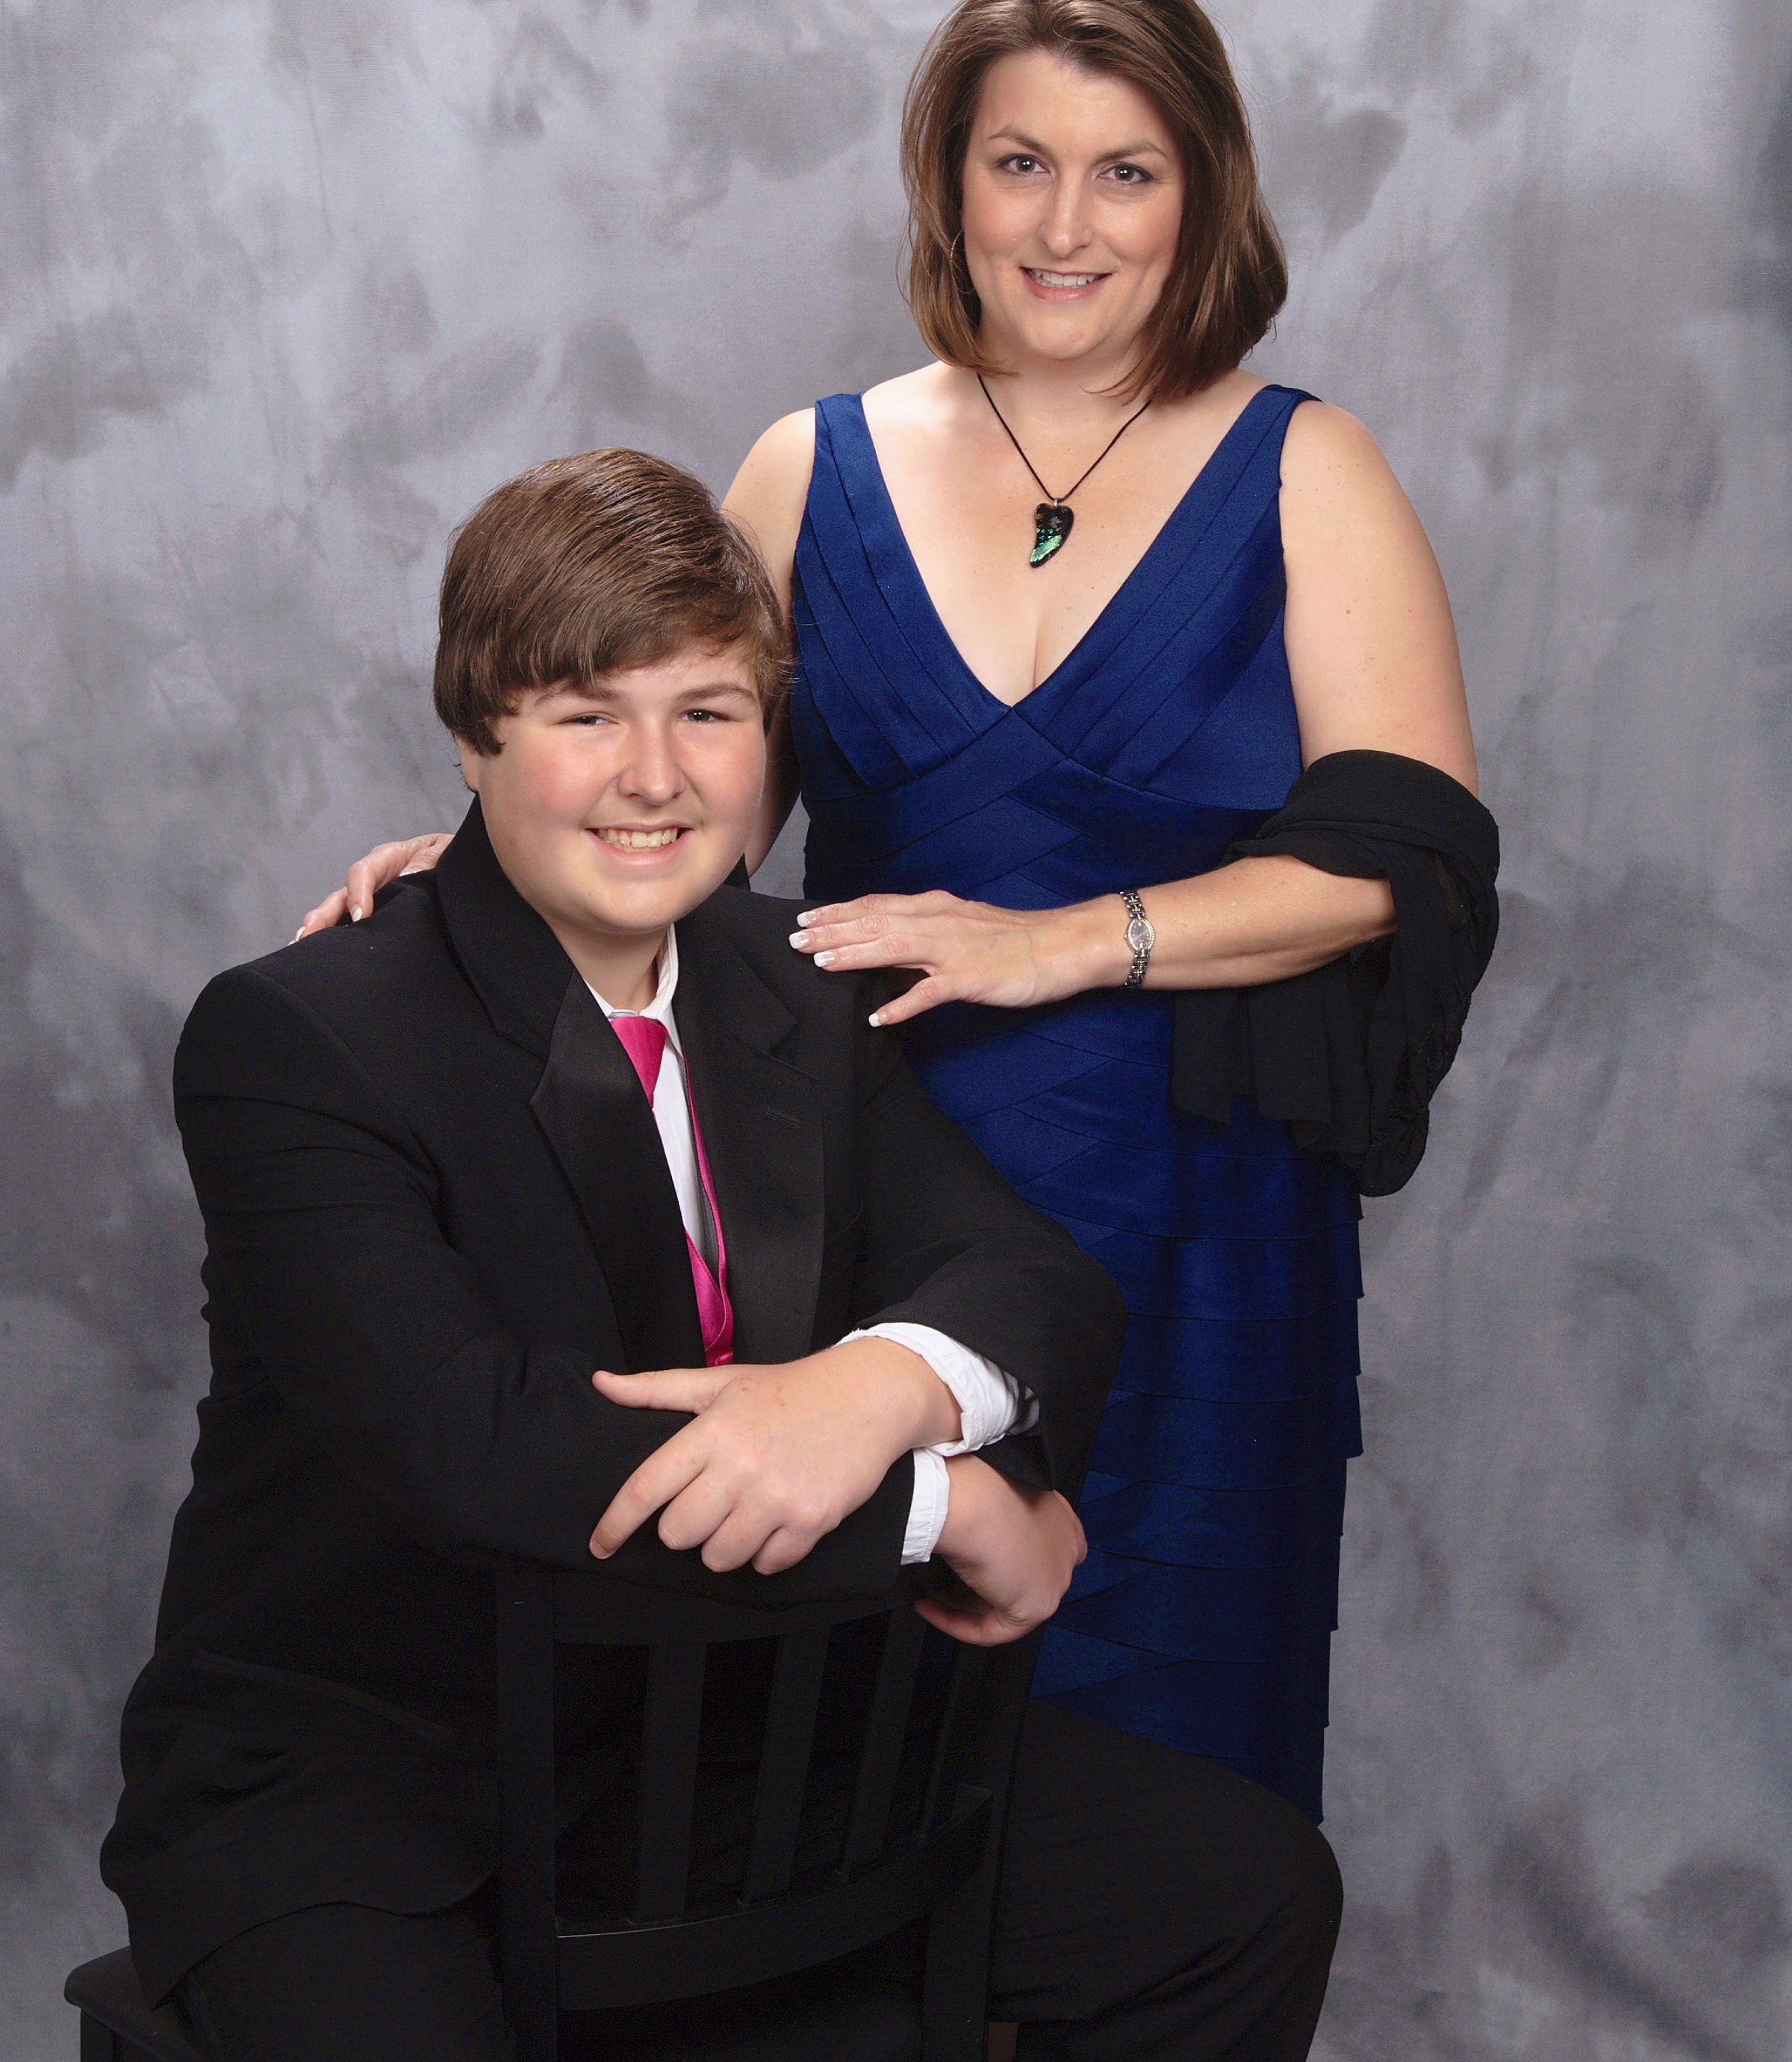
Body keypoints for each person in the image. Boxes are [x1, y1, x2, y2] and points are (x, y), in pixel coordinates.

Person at [302, 0, 1499, 1824]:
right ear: (950, 182)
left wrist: (1064, 946)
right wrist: (476, 869)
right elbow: (682, 786)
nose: (1067, 226)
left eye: (1126, 171)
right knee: (844, 1774)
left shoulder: (1306, 467)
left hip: (1198, 1221)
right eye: (1021, 164)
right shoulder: (812, 465)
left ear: (1203, 195)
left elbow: (1399, 866)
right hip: (865, 1191)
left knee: (1167, 1782)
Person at [109, 447, 1341, 2061]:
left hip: (748, 1737)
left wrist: (876, 1390)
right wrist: (946, 1506)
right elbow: (480, 1445)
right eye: (585, 715)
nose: (654, 776)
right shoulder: (299, 1034)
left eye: (707, 711)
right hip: (382, 1784)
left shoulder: (797, 985)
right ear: (475, 734)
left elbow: (1033, 1281)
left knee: (1244, 1892)